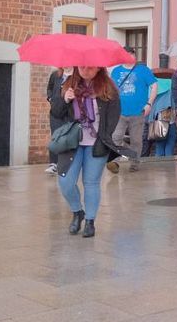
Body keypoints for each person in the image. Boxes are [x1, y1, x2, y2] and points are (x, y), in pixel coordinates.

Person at [50, 67, 121, 239]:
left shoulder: (107, 88)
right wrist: (65, 99)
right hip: (72, 143)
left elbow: (114, 115)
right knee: (65, 181)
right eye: (82, 67)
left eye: (90, 67)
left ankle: (90, 221)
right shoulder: (68, 85)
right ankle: (77, 212)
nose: (86, 70)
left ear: (98, 68)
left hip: (96, 144)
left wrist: (104, 136)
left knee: (91, 183)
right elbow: (56, 112)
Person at [109, 51, 157, 172]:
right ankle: (114, 162)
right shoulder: (116, 71)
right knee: (116, 138)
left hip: (138, 112)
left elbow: (155, 85)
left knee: (136, 140)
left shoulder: (143, 70)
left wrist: (149, 103)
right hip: (119, 111)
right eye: (128, 54)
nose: (131, 57)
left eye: (133, 54)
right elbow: (110, 88)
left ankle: (134, 163)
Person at [45, 67, 72, 174]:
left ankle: (65, 163)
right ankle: (53, 163)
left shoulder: (76, 77)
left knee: (67, 138)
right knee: (55, 136)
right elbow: (49, 88)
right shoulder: (56, 75)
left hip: (69, 112)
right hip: (56, 112)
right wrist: (50, 98)